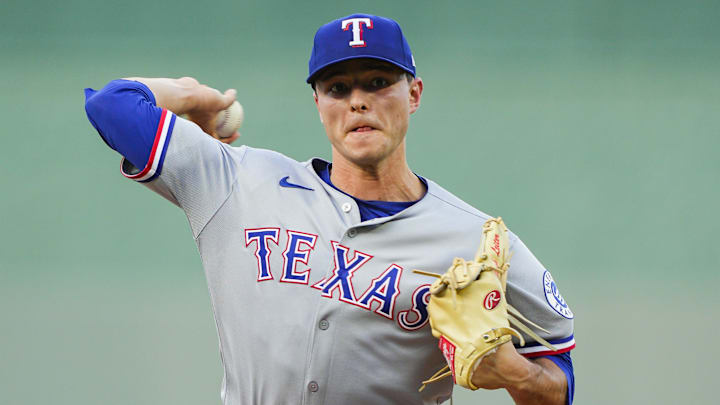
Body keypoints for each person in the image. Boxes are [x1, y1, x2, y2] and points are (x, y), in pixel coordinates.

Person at [83, 13, 575, 405]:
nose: (358, 102)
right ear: (317, 102)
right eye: (338, 88)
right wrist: (195, 95)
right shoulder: (236, 181)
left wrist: (516, 374)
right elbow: (111, 105)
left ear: (414, 94)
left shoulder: (476, 240)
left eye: (378, 81)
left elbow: (559, 382)